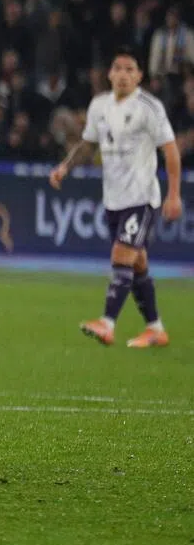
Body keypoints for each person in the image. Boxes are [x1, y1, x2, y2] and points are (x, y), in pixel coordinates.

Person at [50, 52, 183, 348]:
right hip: (114, 198)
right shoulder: (99, 105)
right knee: (137, 265)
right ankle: (155, 329)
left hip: (142, 197)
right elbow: (88, 144)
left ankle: (107, 323)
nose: (123, 74)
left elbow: (171, 151)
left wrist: (174, 194)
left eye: (130, 69)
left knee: (122, 256)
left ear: (139, 77)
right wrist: (65, 167)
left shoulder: (149, 107)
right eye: (118, 68)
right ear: (109, 75)